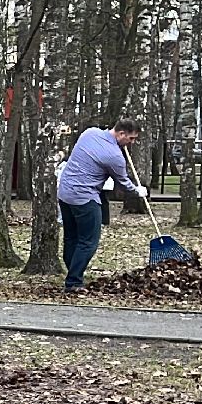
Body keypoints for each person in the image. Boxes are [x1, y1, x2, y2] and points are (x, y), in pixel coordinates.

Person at [58, 120, 142, 292]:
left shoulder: (89, 132)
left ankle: (73, 270)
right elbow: (123, 182)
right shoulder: (114, 156)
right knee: (88, 241)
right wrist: (138, 191)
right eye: (131, 138)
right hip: (84, 198)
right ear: (121, 134)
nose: (132, 143)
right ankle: (73, 281)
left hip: (64, 193)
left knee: (71, 237)